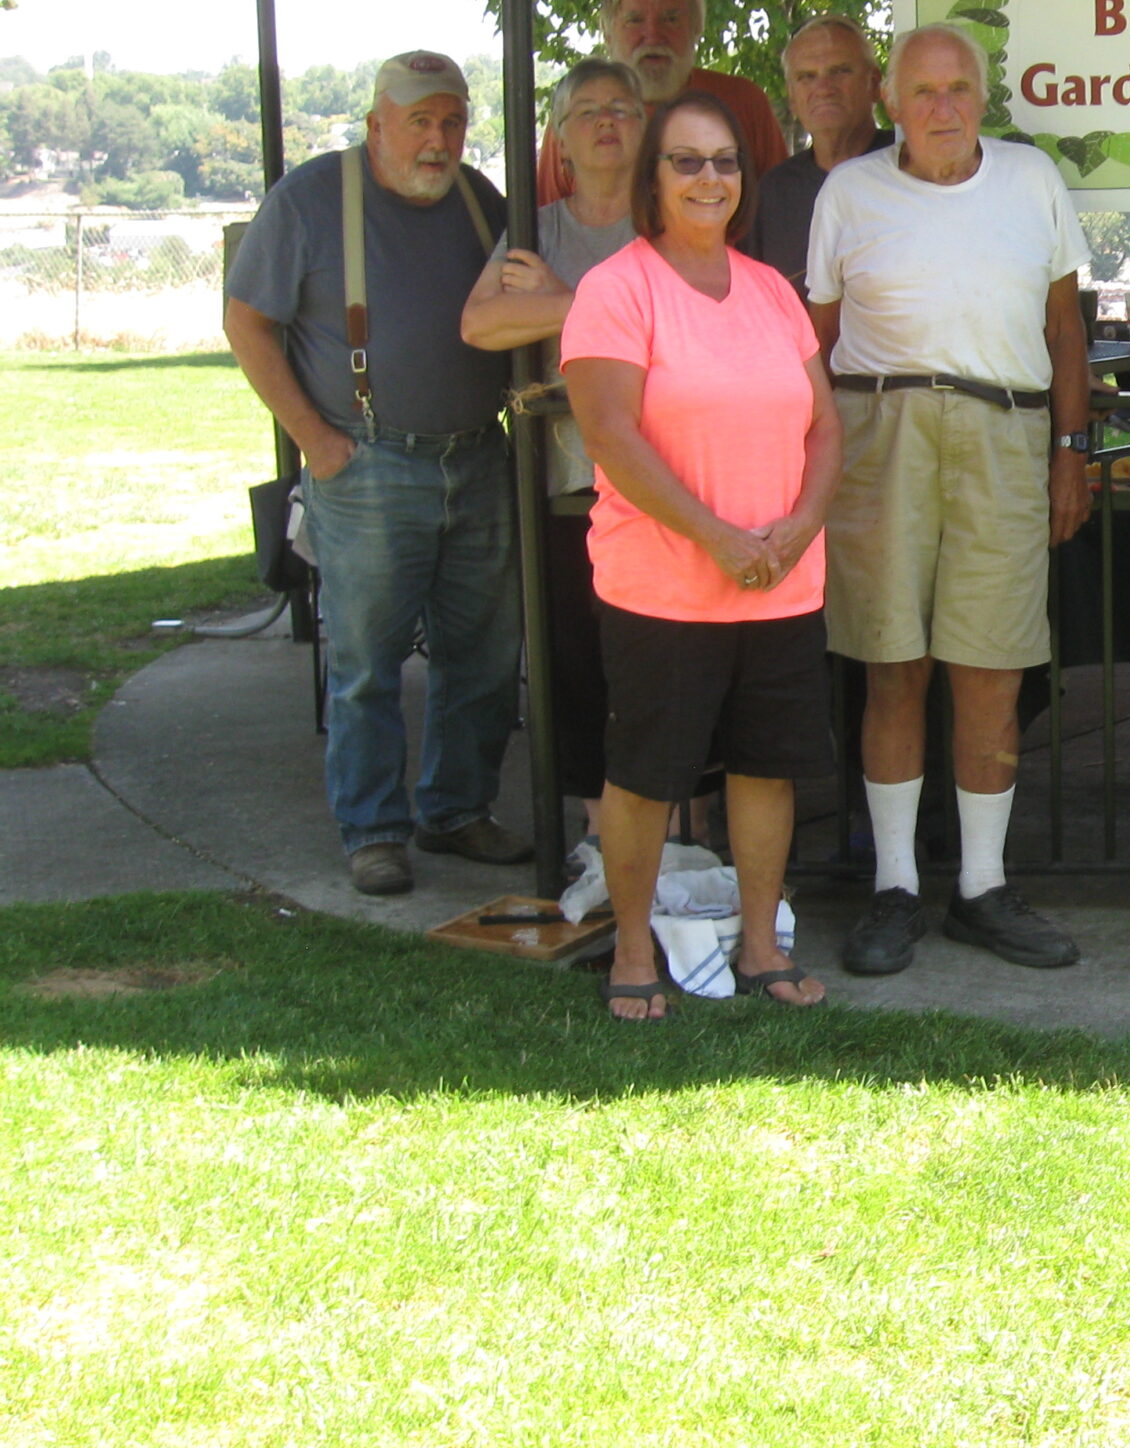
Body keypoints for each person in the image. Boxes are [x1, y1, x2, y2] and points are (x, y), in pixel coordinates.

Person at [811, 23, 1094, 976]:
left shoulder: (1031, 179)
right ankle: (894, 887)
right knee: (893, 664)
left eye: (959, 88)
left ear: (984, 98)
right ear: (890, 103)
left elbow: (1065, 330)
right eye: (923, 91)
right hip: (878, 429)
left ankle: (981, 887)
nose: (942, 108)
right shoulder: (848, 192)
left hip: (1005, 432)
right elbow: (815, 339)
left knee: (991, 667)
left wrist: (1070, 452)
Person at [222, 51, 530, 896]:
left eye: (453, 122)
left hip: (479, 455)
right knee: (367, 665)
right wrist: (315, 443)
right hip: (368, 466)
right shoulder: (310, 200)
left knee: (485, 657)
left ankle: (457, 810)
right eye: (420, 121)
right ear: (375, 125)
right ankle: (373, 829)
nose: (438, 140)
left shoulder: (482, 201)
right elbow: (245, 323)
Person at [561, 92, 839, 1020]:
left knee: (767, 768)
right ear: (654, 178)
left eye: (724, 161)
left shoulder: (771, 290)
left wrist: (800, 524)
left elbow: (824, 426)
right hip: (664, 589)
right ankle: (632, 950)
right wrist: (717, 537)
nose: (709, 178)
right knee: (646, 777)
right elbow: (612, 435)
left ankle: (760, 945)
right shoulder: (617, 290)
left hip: (780, 584)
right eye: (686, 160)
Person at [460, 59, 647, 830]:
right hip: (566, 484)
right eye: (587, 110)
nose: (606, 122)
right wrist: (605, 308)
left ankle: (684, 833)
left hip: (663, 483)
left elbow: (689, 333)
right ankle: (602, 836)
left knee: (660, 664)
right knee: (575, 661)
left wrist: (555, 302)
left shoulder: (672, 222)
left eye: (622, 108)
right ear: (560, 139)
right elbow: (480, 325)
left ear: (646, 127)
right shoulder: (537, 231)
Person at [535, 0, 789, 203]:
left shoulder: (744, 103)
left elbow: (781, 210)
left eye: (671, 19)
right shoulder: (576, 116)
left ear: (697, 27)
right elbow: (546, 220)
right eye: (635, 20)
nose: (653, 35)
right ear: (608, 33)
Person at [746, 14, 883, 301]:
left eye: (840, 71)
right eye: (806, 77)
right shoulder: (772, 192)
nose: (823, 89)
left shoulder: (911, 165)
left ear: (874, 84)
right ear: (792, 98)